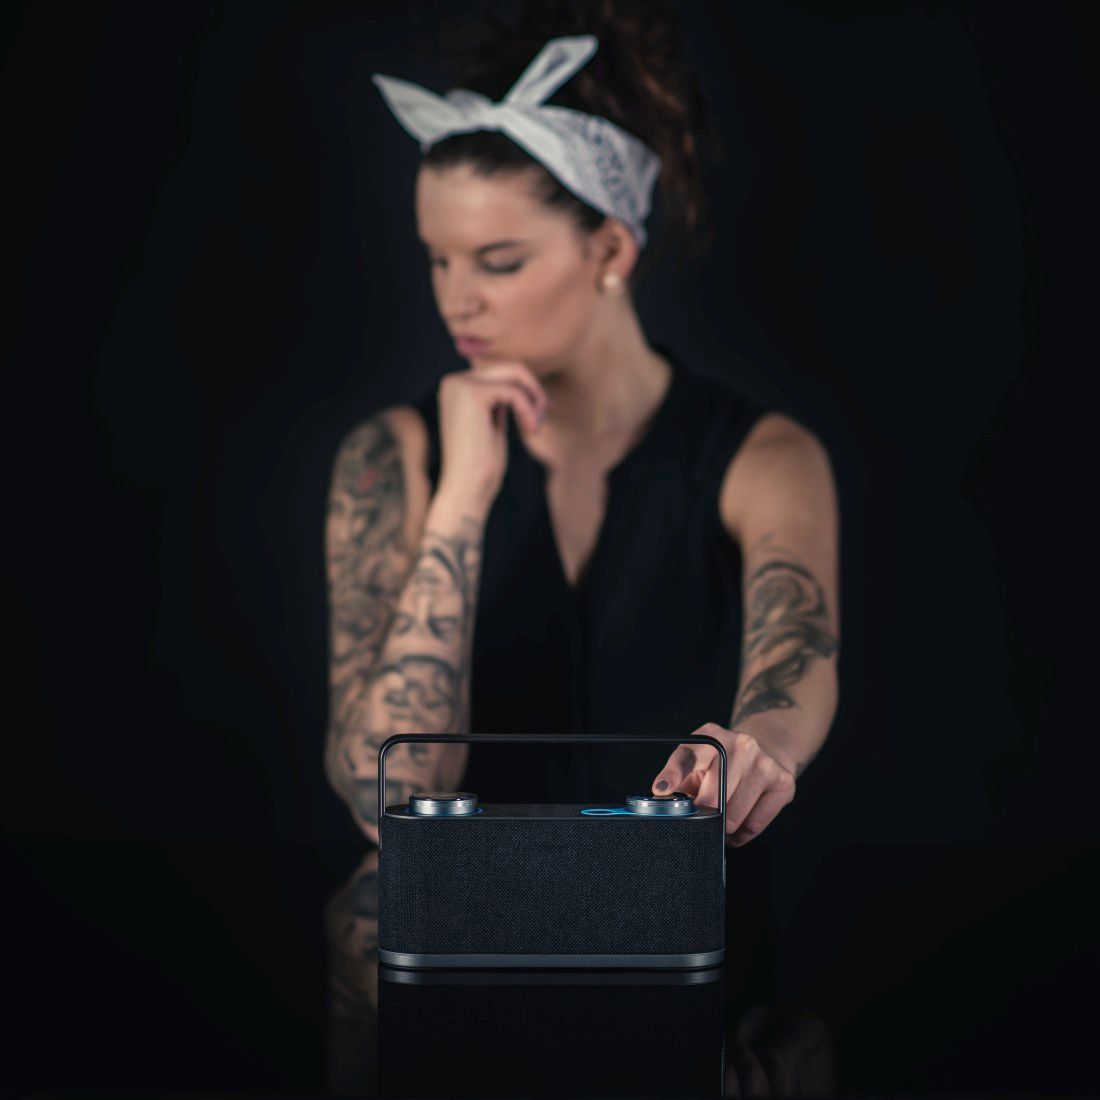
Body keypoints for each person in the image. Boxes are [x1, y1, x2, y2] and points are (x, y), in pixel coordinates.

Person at [325, 6, 840, 848]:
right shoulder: (396, 456)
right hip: (456, 923)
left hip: (683, 919)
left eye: (499, 262)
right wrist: (461, 501)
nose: (457, 300)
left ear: (609, 252)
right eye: (438, 259)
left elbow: (798, 656)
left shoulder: (763, 458)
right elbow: (388, 798)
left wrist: (755, 750)